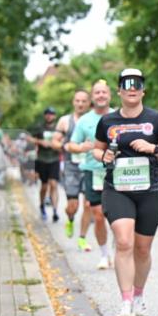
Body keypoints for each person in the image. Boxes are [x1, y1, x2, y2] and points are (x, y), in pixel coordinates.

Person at [93, 69, 158, 316]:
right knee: (123, 242)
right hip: (117, 189)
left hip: (149, 191)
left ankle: (139, 296)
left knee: (142, 249)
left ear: (143, 90)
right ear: (118, 91)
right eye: (126, 84)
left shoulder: (156, 119)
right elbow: (97, 149)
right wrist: (104, 156)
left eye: (137, 84)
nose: (132, 88)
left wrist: (153, 148)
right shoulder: (107, 121)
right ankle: (126, 303)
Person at [68, 79, 114, 270]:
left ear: (110, 95)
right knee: (98, 215)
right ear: (92, 98)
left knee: (118, 216)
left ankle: (120, 249)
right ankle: (104, 254)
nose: (101, 95)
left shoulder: (119, 116)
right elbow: (71, 144)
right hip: (93, 171)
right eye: (97, 92)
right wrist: (81, 147)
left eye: (104, 92)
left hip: (116, 171)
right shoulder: (85, 120)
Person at [53, 90, 92, 245]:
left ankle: (82, 238)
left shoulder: (94, 119)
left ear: (89, 103)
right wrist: (65, 146)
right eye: (77, 101)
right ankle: (70, 219)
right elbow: (55, 142)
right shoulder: (65, 121)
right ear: (73, 102)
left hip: (89, 166)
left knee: (88, 204)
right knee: (72, 206)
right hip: (71, 167)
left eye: (84, 101)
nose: (80, 104)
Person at [28, 107, 61, 221]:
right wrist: (40, 142)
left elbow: (64, 141)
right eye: (47, 114)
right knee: (44, 186)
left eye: (51, 114)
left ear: (54, 116)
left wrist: (56, 145)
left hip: (54, 159)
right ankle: (42, 206)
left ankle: (55, 210)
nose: (49, 116)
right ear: (44, 116)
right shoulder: (39, 127)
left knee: (54, 184)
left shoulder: (58, 128)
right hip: (42, 159)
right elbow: (29, 138)